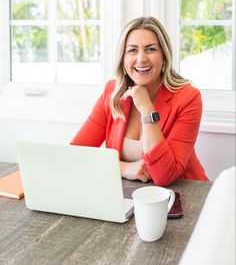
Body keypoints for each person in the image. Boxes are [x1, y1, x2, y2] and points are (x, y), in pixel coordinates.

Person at [71, 16, 209, 186]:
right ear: (123, 58)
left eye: (150, 49)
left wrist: (147, 110)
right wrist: (123, 168)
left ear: (164, 56)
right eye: (132, 50)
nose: (141, 58)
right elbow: (76, 154)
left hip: (186, 195)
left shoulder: (188, 98)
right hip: (131, 193)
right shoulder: (112, 92)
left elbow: (165, 176)